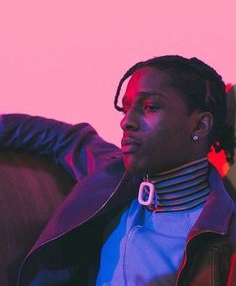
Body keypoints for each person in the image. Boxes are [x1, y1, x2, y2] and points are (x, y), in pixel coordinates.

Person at [0, 55, 235, 285]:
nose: (126, 122)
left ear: (200, 125)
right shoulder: (113, 176)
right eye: (125, 109)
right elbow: (59, 137)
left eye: (150, 107)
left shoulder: (225, 232)